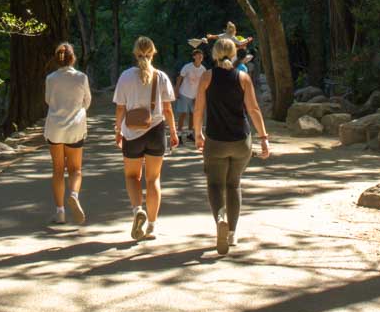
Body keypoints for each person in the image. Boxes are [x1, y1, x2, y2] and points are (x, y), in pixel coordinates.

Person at [193, 35, 270, 255]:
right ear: (234, 54)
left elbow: (198, 109)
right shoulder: (243, 78)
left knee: (215, 185)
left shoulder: (207, 77)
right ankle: (232, 233)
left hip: (216, 140)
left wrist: (198, 134)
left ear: (214, 55)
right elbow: (254, 110)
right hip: (240, 141)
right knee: (233, 185)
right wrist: (263, 137)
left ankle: (220, 218)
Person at [113, 36, 179, 241]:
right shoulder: (161, 77)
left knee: (133, 177)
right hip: (156, 132)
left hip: (132, 133)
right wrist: (174, 132)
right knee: (153, 179)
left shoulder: (125, 77)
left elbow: (121, 108)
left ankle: (136, 211)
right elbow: (167, 109)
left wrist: (117, 130)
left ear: (135, 53)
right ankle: (151, 226)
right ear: (153, 53)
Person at [44, 42, 91, 225]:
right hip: (75, 128)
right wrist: (78, 110)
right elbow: (87, 100)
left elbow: (48, 100)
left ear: (57, 59)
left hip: (55, 128)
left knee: (57, 170)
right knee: (75, 169)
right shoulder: (81, 77)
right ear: (73, 58)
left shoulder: (50, 78)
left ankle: (60, 211)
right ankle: (73, 194)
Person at [174, 48, 205, 140]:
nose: (200, 56)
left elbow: (202, 84)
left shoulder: (203, 69)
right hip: (184, 93)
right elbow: (180, 78)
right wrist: (176, 91)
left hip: (195, 95)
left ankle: (190, 133)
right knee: (183, 113)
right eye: (198, 55)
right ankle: (179, 134)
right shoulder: (187, 66)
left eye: (201, 55)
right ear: (194, 57)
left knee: (193, 114)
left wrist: (200, 96)